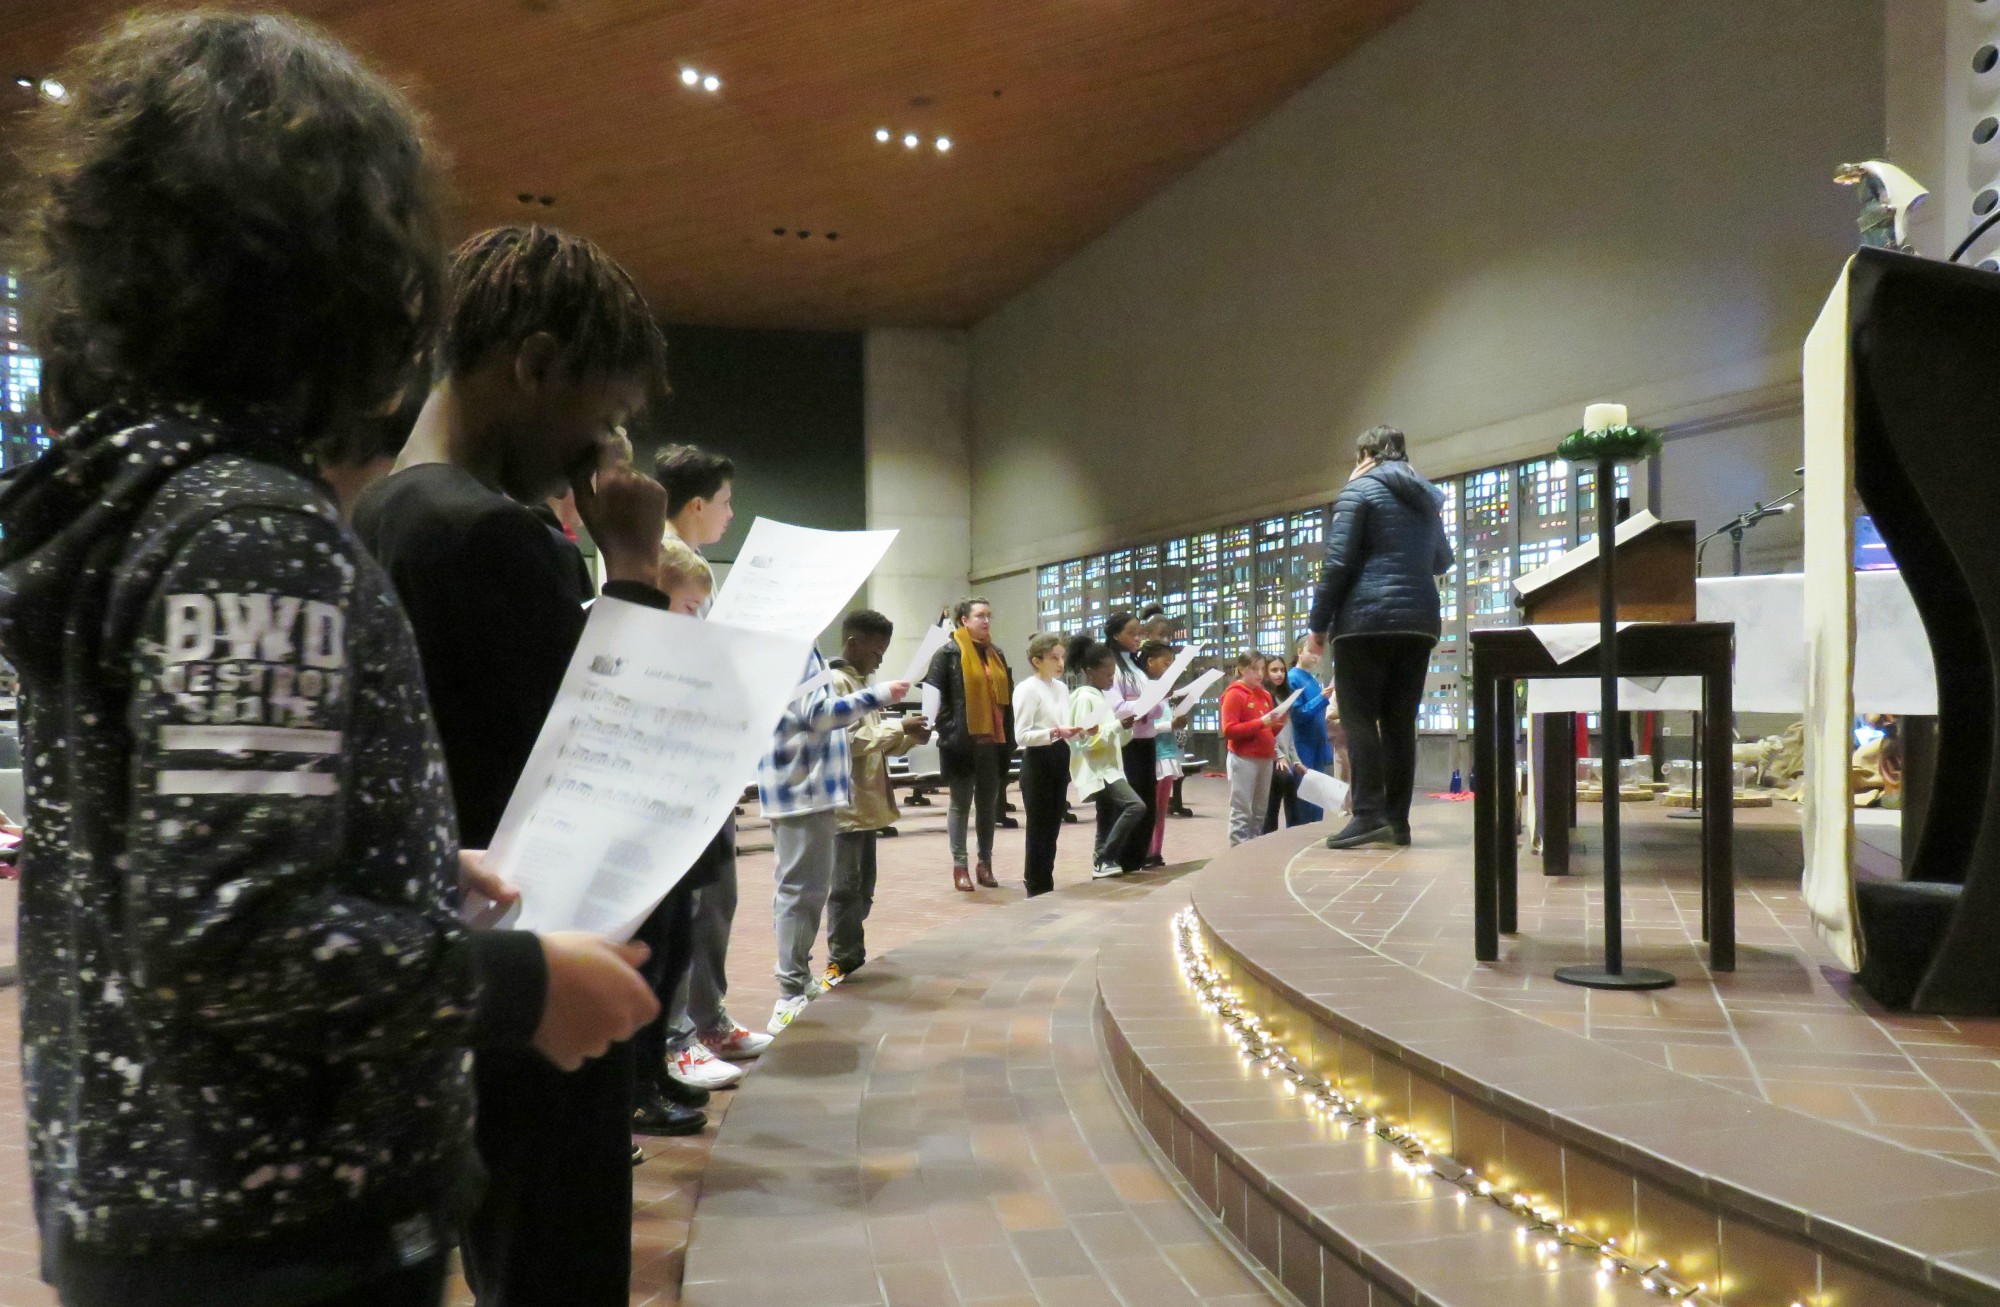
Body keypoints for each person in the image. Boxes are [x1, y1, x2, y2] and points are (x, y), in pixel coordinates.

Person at [1, 16, 654, 1307]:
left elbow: (190, 853)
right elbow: (230, 938)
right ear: (338, 268)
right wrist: (518, 982)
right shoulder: (248, 526)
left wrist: (404, 860)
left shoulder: (130, 500)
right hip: (278, 1227)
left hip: (148, 1200)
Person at [353, 223, 677, 1307]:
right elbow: (602, 746)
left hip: (456, 960)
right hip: (547, 956)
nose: (605, 446)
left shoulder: (378, 513)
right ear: (532, 363)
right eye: (603, 411)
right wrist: (630, 564)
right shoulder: (490, 536)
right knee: (559, 1269)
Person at [647, 446, 768, 1093]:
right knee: (684, 906)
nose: (730, 513)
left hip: (710, 759)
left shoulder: (689, 569)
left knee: (716, 895)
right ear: (697, 504)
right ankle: (675, 1037)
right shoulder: (658, 566)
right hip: (679, 766)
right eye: (725, 501)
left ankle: (705, 1016)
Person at [1307, 426, 1453, 850]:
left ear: (1366, 453)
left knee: (1358, 717)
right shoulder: (1424, 496)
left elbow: (1337, 563)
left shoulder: (1359, 490)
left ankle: (1368, 814)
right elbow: (1443, 559)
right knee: (1399, 723)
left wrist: (1318, 625)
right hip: (1418, 621)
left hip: (1365, 621)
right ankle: (1397, 821)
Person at [626, 533, 731, 1125]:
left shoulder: (685, 652)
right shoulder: (631, 643)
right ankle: (637, 1085)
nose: (698, 621)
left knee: (675, 951)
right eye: (690, 609)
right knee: (652, 954)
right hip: (647, 826)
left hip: (687, 820)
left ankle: (656, 1069)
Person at [760, 649, 910, 1033]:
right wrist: (880, 694)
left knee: (807, 891)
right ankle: (789, 992)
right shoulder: (794, 645)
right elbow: (822, 715)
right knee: (798, 891)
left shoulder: (798, 646)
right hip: (801, 787)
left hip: (807, 787)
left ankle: (799, 980)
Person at [825, 610, 931, 983]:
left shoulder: (861, 684)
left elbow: (875, 743)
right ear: (853, 644)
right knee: (845, 889)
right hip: (847, 802)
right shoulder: (836, 683)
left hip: (866, 803)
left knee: (862, 889)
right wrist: (898, 727)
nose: (881, 659)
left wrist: (907, 737)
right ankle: (843, 960)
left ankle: (850, 953)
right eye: (877, 651)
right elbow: (847, 742)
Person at [923, 598, 1015, 892]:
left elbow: (1006, 700)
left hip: (993, 741)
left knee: (988, 805)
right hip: (961, 741)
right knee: (961, 804)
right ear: (964, 620)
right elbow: (935, 697)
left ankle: (984, 864)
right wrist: (949, 728)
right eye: (979, 616)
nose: (986, 621)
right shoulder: (947, 654)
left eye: (989, 615)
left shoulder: (996, 653)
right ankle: (959, 866)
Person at [1065, 639, 1146, 879]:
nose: (1112, 679)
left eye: (1113, 674)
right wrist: (1115, 726)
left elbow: (1115, 740)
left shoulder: (1101, 697)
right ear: (1091, 672)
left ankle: (1101, 863)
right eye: (1107, 674)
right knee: (1135, 806)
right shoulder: (1084, 698)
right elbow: (1086, 741)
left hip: (1110, 766)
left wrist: (1125, 727)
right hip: (1099, 769)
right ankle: (1104, 857)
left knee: (1106, 818)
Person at [1013, 634, 1082, 896]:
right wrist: (1055, 732)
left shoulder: (1061, 688)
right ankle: (1035, 883)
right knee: (1038, 828)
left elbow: (1063, 727)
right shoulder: (1027, 689)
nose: (1060, 663)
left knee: (1053, 826)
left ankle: (1046, 881)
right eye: (1054, 657)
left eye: (1062, 657)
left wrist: (1080, 730)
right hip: (1038, 760)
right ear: (1036, 660)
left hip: (1059, 757)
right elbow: (1022, 735)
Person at [1103, 612, 1159, 872]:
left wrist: (1155, 701)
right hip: (1127, 744)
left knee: (1149, 802)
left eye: (1140, 633)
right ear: (1115, 635)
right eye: (1132, 633)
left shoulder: (1136, 666)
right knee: (1133, 803)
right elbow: (1116, 707)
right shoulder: (1112, 666)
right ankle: (1122, 858)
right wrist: (1144, 703)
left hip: (1147, 740)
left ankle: (1138, 858)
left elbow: (1156, 710)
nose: (1138, 638)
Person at [1221, 653, 1286, 846]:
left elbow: (1267, 730)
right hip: (1244, 758)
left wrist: (1278, 723)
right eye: (1253, 669)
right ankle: (1237, 850)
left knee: (1259, 812)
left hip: (1265, 757)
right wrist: (1261, 722)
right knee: (1242, 811)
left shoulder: (1264, 694)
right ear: (1241, 669)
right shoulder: (1235, 694)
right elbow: (1229, 730)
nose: (1259, 674)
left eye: (1261, 669)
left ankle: (1254, 849)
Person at [1136, 640, 1183, 866]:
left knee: (1162, 810)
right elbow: (1146, 726)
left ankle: (1156, 851)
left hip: (1167, 753)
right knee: (1150, 808)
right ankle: (1144, 851)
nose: (1169, 669)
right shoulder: (1144, 687)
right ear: (1150, 662)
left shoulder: (1165, 691)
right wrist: (1171, 724)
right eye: (1166, 663)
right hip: (1152, 754)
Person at [1288, 638, 1336, 822]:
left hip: (1316, 744)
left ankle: (1313, 835)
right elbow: (1297, 715)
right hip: (1302, 746)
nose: (1316, 657)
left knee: (1317, 799)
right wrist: (1322, 698)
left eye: (1319, 654)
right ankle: (1300, 838)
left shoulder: (1311, 680)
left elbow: (1318, 719)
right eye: (1312, 652)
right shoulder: (1293, 678)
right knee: (1303, 799)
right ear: (1300, 651)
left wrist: (1324, 747)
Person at [1263, 655, 1308, 832]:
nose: (1279, 674)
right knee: (1272, 805)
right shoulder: (1265, 697)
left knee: (1294, 788)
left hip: (1285, 758)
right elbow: (1265, 732)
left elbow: (1288, 736)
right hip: (1270, 756)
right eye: (1274, 670)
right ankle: (1268, 838)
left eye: (1282, 670)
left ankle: (1293, 835)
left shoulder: (1284, 697)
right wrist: (1279, 756)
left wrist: (1296, 761)